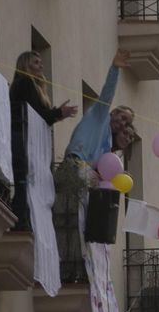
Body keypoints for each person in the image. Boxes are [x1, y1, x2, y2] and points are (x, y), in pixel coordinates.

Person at [53, 48, 134, 202]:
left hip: (84, 174)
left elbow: (104, 169)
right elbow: (107, 93)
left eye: (126, 123)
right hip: (75, 162)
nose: (122, 123)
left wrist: (120, 176)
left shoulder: (109, 141)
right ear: (114, 112)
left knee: (75, 217)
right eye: (122, 117)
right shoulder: (100, 115)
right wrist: (115, 68)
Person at [9, 51, 78, 229]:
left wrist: (57, 114)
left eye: (41, 62)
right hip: (21, 138)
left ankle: (23, 219)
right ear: (26, 65)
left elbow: (40, 116)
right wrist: (58, 113)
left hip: (24, 138)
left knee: (23, 180)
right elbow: (37, 115)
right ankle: (22, 221)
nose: (41, 66)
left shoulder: (31, 86)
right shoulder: (25, 83)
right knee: (23, 180)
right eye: (36, 62)